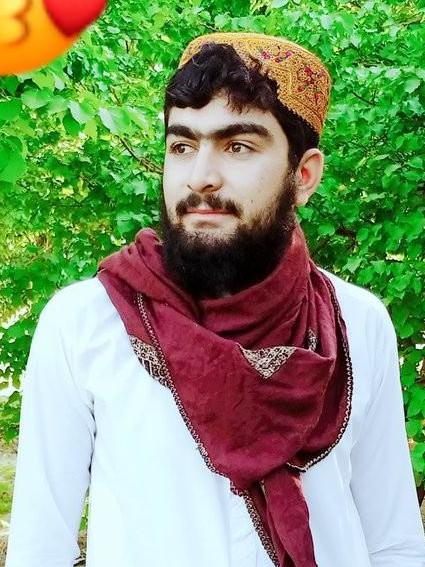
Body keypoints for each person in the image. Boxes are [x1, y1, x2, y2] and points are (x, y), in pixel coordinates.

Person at [5, 32, 425, 567]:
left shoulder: (357, 323)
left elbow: (392, 543)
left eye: (238, 146)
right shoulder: (86, 322)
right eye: (182, 146)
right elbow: (39, 549)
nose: (200, 177)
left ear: (303, 176)